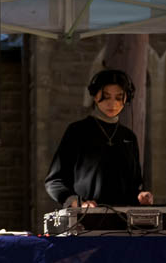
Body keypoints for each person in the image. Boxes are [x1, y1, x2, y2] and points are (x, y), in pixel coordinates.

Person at [45, 69, 154, 208]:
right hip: (84, 220)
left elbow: (133, 186)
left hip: (124, 223)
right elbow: (54, 182)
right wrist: (77, 203)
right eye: (106, 96)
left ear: (127, 98)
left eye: (119, 97)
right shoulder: (76, 131)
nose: (112, 103)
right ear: (95, 96)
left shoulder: (129, 137)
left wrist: (140, 196)